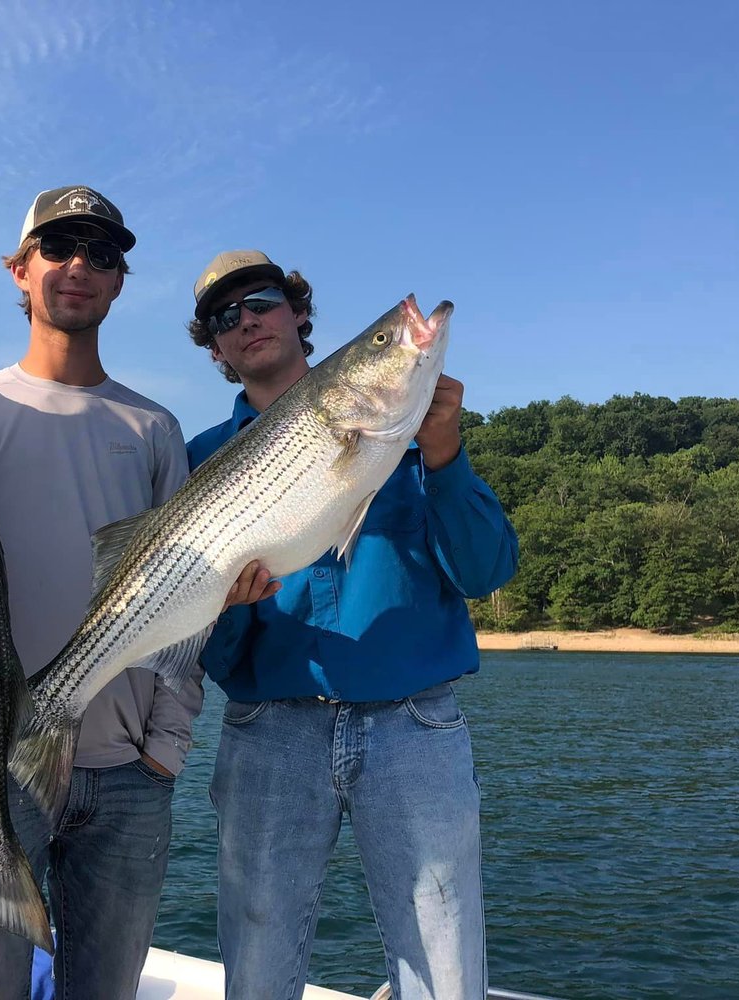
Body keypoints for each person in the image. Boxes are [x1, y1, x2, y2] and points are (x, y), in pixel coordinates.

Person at [184, 250, 520, 1000]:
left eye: (262, 301)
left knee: (443, 958)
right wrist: (228, 609)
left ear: (298, 314)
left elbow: (486, 570)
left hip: (414, 727)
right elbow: (206, 641)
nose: (246, 322)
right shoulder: (202, 458)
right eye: (223, 318)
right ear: (213, 347)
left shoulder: (411, 432)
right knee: (258, 951)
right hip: (266, 729)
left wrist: (444, 454)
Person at [0, 186, 203, 1000]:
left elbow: (190, 592)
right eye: (58, 247)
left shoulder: (154, 428)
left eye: (102, 253)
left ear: (119, 283)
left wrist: (166, 748)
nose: (78, 265)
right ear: (18, 270)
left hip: (127, 775)